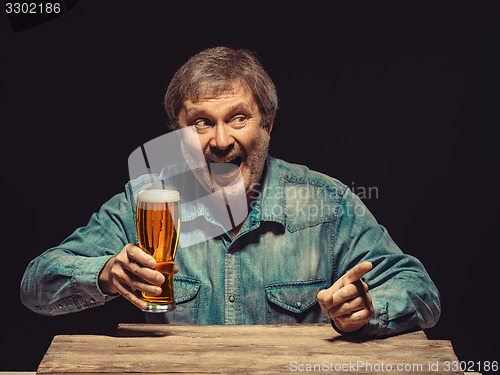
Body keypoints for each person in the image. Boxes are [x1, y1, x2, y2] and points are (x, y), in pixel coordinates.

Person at [21, 47, 440, 337]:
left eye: (238, 118)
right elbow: (35, 285)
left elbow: (420, 290)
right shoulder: (145, 203)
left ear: (268, 125)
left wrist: (366, 311)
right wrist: (104, 275)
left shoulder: (327, 203)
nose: (220, 141)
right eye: (201, 122)